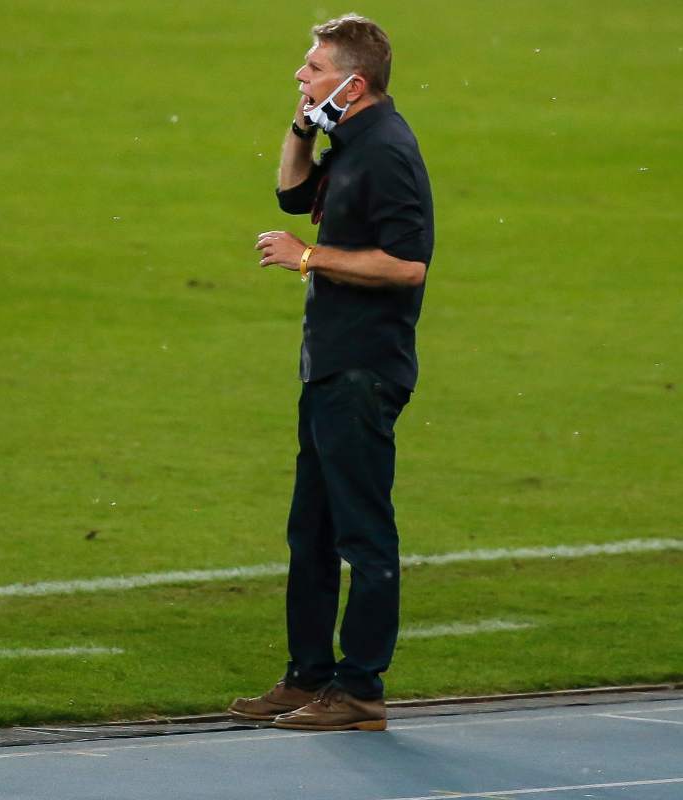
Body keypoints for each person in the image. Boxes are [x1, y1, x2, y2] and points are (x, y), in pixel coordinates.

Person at [229, 13, 434, 732]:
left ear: (355, 83)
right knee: (310, 531)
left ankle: (361, 690)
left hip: (363, 369)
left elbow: (408, 264)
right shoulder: (348, 140)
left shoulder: (388, 152)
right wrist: (302, 127)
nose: (300, 74)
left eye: (314, 68)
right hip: (330, 364)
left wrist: (309, 257)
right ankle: (309, 676)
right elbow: (291, 195)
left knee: (362, 534)